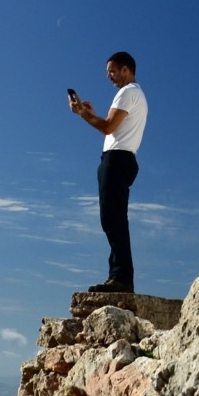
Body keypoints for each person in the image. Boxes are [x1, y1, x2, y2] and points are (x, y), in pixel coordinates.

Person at [68, 52, 146, 294]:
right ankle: (119, 276)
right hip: (122, 159)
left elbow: (108, 127)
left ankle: (121, 278)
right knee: (114, 218)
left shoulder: (128, 92)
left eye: (112, 71)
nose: (109, 76)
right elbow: (112, 127)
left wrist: (84, 113)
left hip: (117, 159)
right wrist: (88, 114)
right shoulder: (137, 95)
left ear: (126, 69)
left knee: (112, 218)